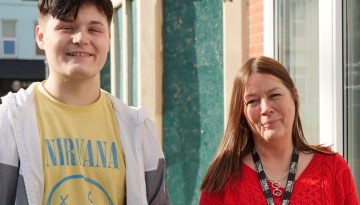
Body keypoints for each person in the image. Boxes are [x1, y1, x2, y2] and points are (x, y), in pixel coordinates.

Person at [0, 0, 169, 204]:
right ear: (40, 37)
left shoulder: (138, 130)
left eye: (94, 29)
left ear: (109, 37)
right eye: (66, 27)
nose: (81, 38)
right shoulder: (8, 123)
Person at [199, 56, 359, 205]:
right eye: (253, 101)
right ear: (242, 111)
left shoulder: (333, 168)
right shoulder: (222, 178)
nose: (266, 108)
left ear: (294, 97)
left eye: (274, 95)